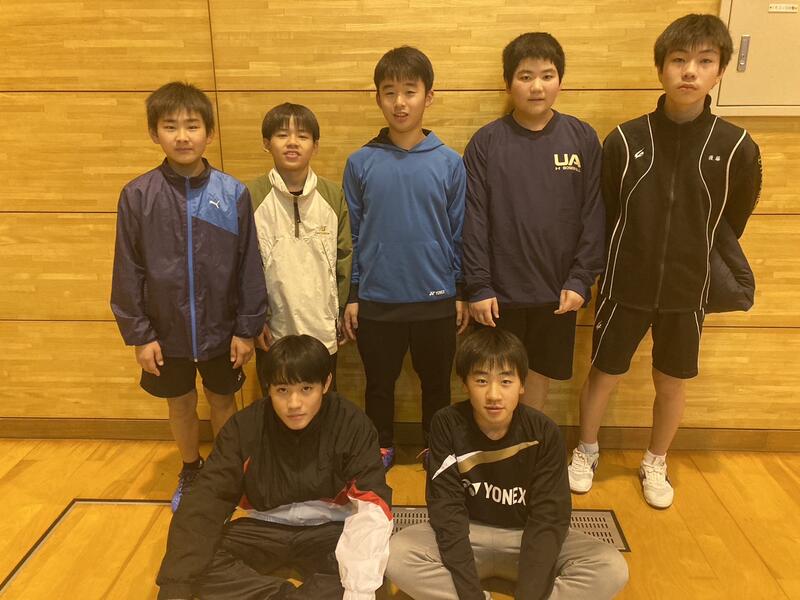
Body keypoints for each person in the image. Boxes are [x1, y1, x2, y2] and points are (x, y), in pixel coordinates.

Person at [568, 14, 762, 509]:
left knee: (672, 380)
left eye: (704, 61)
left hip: (688, 289)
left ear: (720, 71)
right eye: (679, 60)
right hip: (624, 284)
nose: (690, 71)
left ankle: (656, 460)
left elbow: (732, 219)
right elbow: (605, 211)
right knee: (604, 372)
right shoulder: (625, 139)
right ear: (660, 69)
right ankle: (586, 449)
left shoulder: (736, 146)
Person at [110, 81, 267, 512]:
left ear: (209, 133)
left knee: (222, 400)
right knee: (179, 403)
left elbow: (249, 267)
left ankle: (227, 471)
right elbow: (128, 269)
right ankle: (191, 468)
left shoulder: (232, 193)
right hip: (166, 331)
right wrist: (141, 335)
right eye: (171, 126)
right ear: (154, 133)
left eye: (192, 126)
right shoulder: (137, 196)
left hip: (222, 329)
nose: (182, 136)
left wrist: (246, 329)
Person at [386, 328, 628, 599]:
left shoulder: (543, 431)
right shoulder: (447, 424)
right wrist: (471, 595)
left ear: (522, 385)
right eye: (481, 380)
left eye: (505, 381)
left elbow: (549, 518)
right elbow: (447, 512)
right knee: (395, 554)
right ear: (465, 384)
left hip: (526, 539)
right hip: (468, 536)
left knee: (611, 567)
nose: (494, 394)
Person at [156, 335, 393, 600]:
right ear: (268, 387)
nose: (294, 403)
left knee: (372, 569)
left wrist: (359, 586)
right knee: (198, 565)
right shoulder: (244, 427)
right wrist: (174, 590)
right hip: (263, 526)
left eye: (306, 389)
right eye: (282, 390)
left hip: (328, 529)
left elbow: (373, 502)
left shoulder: (351, 423)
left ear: (326, 384)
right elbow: (206, 499)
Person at [463, 32, 605, 411]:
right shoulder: (486, 142)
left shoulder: (581, 138)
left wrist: (581, 279)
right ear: (508, 83)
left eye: (547, 75)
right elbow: (473, 219)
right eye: (525, 76)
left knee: (539, 377)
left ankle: (529, 442)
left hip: (558, 294)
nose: (537, 87)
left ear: (560, 80)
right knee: (493, 376)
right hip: (497, 297)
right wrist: (478, 285)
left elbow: (594, 214)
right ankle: (494, 443)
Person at [342, 46, 469, 469]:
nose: (400, 102)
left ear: (428, 97)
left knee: (437, 384)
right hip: (378, 298)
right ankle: (380, 444)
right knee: (379, 384)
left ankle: (437, 445)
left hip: (436, 296)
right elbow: (353, 234)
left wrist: (460, 291)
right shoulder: (360, 162)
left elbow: (458, 232)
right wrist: (353, 294)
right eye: (389, 92)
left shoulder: (450, 163)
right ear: (377, 97)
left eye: (410, 91)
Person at [247, 103, 352, 393]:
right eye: (282, 135)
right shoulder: (250, 196)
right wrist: (254, 320)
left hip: (323, 329)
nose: (292, 142)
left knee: (323, 401)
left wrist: (340, 313)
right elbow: (243, 267)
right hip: (273, 332)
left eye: (302, 136)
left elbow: (344, 257)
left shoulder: (333, 195)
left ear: (315, 146)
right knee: (278, 402)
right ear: (267, 143)